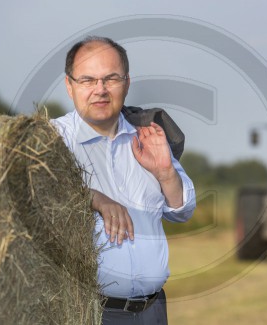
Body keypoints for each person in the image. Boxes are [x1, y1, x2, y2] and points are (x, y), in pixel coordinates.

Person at [51, 36, 196, 324]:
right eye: (88, 80)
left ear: (127, 83)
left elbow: (183, 211)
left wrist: (165, 173)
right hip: (90, 313)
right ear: (70, 86)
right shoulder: (52, 140)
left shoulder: (149, 135)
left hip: (153, 310)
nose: (100, 90)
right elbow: (30, 196)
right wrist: (92, 197)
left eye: (111, 79)